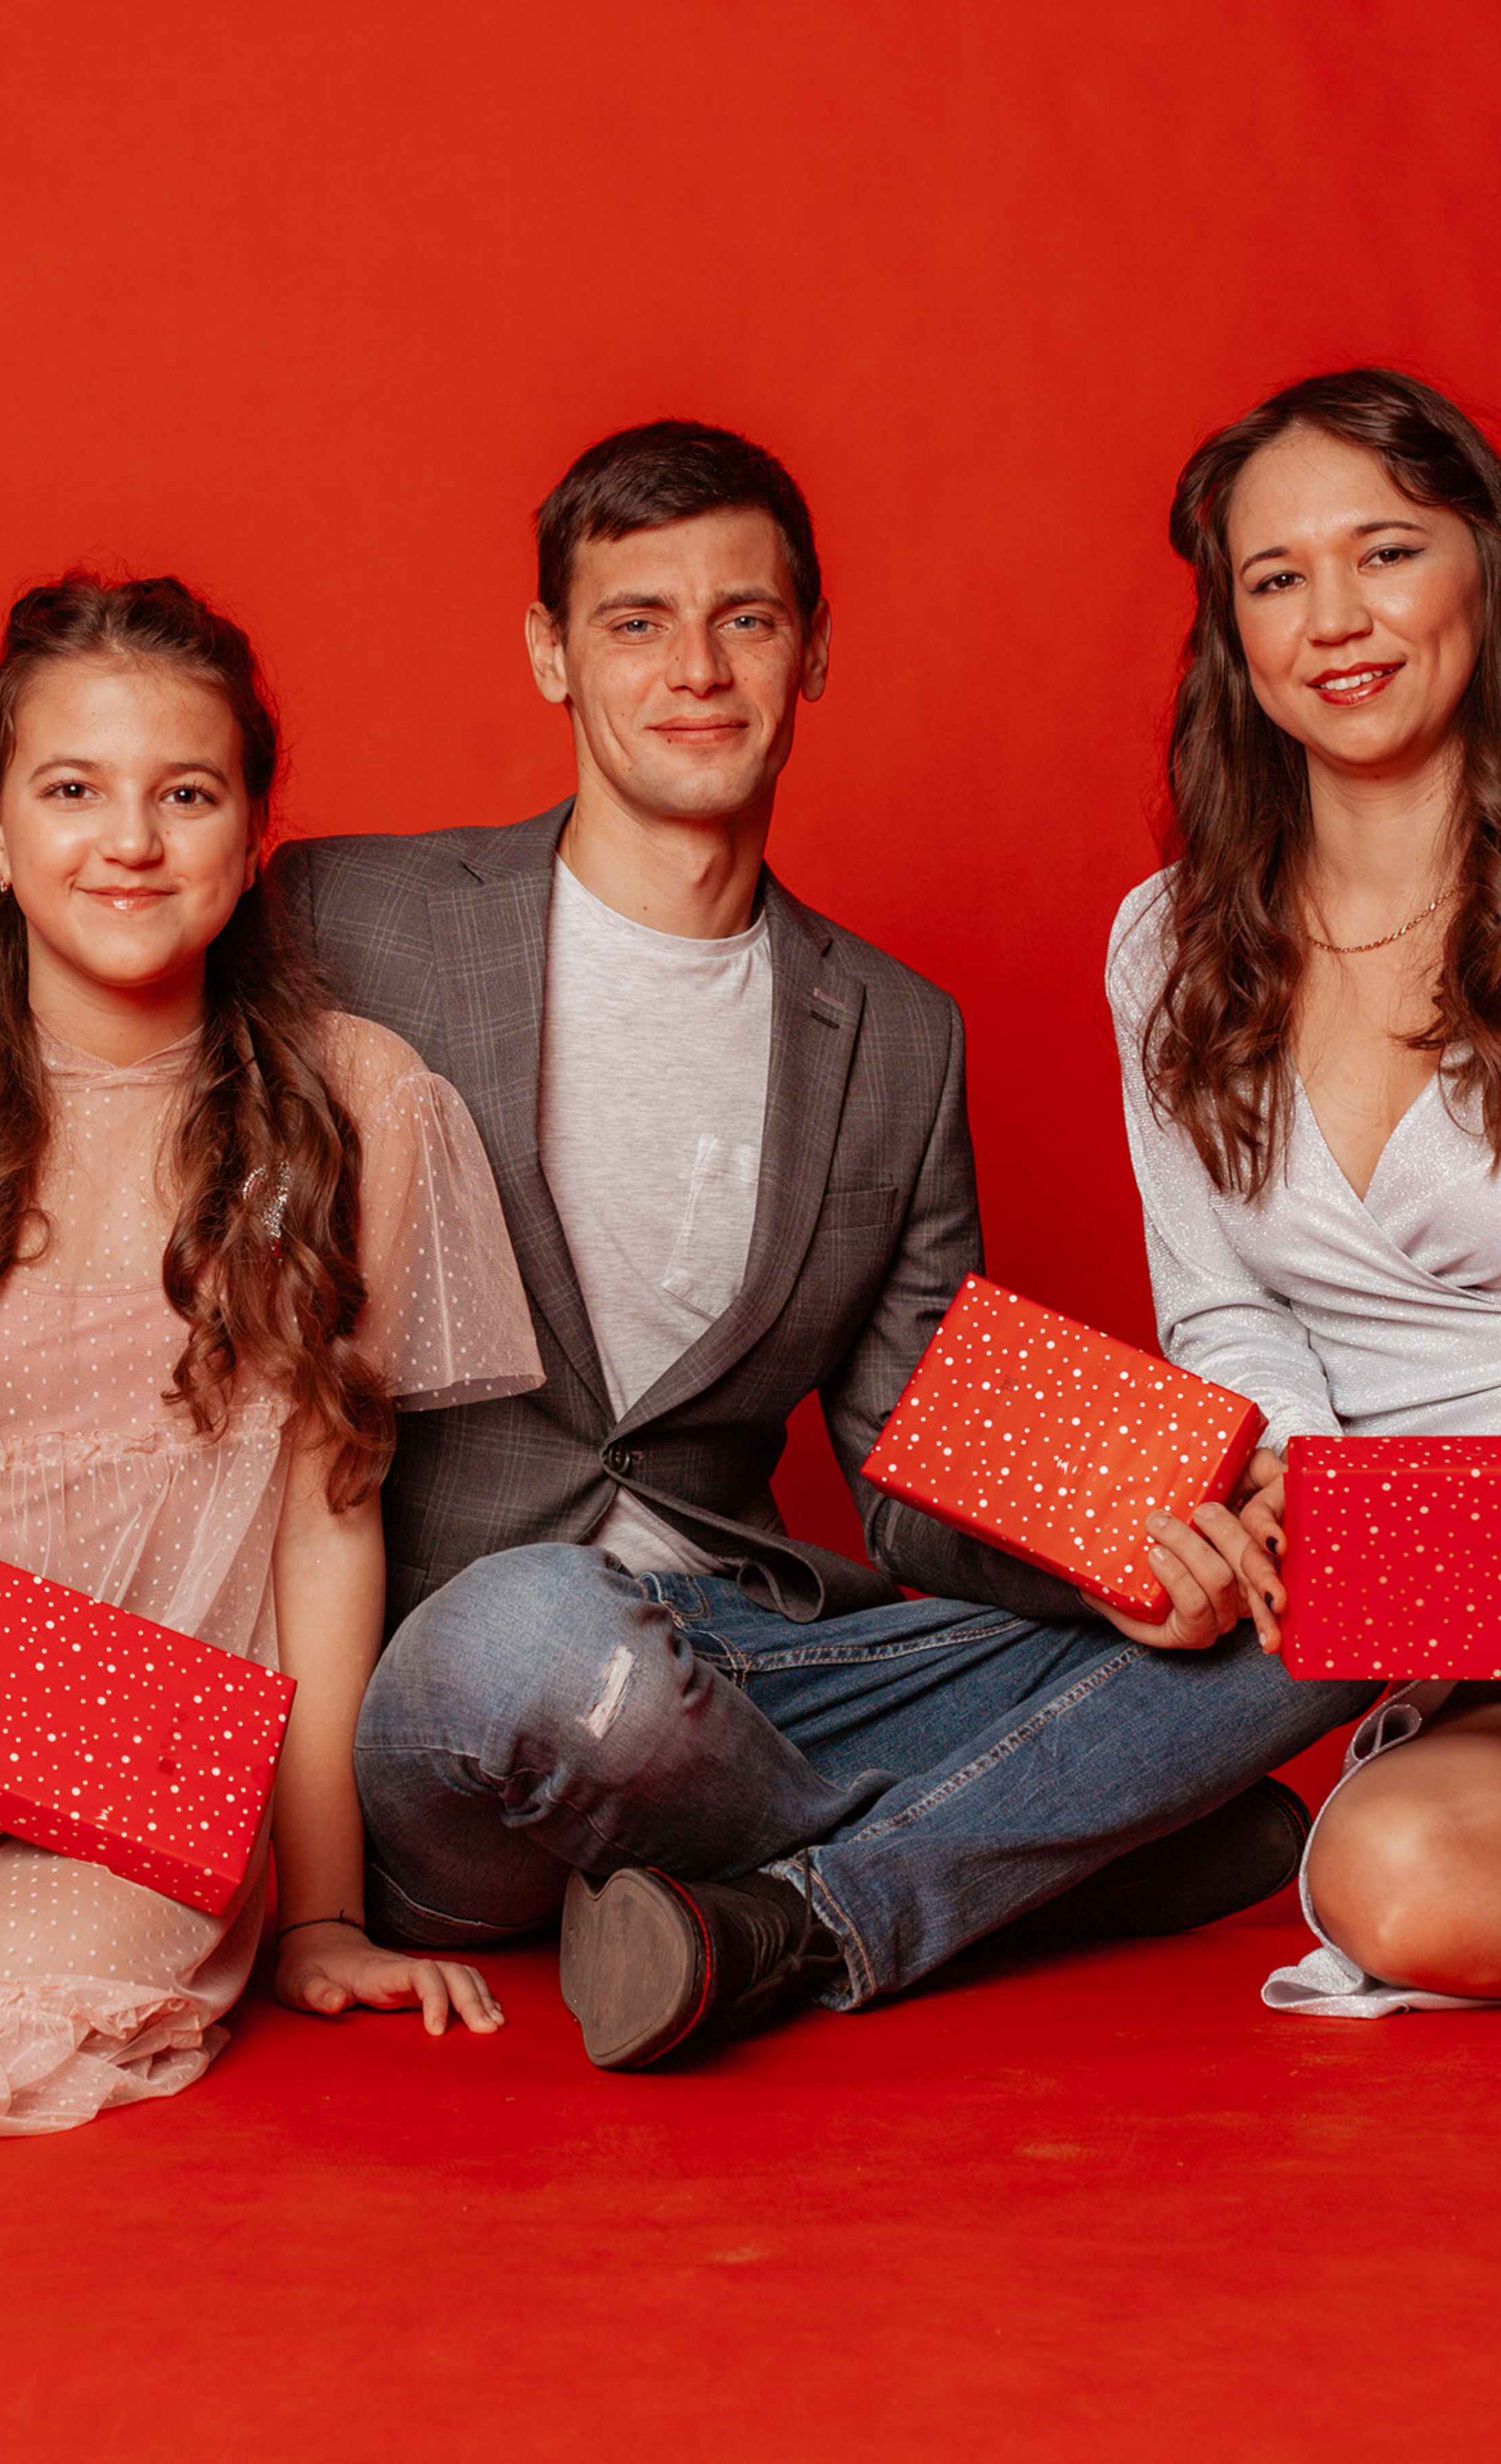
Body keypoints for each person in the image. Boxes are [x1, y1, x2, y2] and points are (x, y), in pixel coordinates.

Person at [256, 419, 1368, 2070]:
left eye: (746, 619)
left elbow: (911, 1455)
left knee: (1331, 1575)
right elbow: (91, 1107)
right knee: (530, 1630)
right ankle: (1021, 1854)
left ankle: (799, 1910)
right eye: (635, 621)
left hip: (759, 1653)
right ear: (549, 655)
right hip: (463, 1692)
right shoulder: (346, 918)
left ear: (813, 652)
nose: (694, 669)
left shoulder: (897, 1035)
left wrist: (1121, 1544)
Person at [0, 573, 542, 2137]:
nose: (129, 840)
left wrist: (320, 1916)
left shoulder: (355, 1106)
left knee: (57, 2011)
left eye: (184, 793)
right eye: (71, 790)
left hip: (130, 1796)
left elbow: (327, 1531)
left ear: (253, 839)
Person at [1108, 365, 1501, 2019]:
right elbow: (1218, 1304)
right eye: (1276, 579)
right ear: (1231, 639)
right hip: (1427, 1612)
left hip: (1458, 1553)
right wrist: (1295, 1493)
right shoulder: (1164, 946)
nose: (1334, 618)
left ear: (1478, 563)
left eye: (1385, 553)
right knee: (1383, 1875)